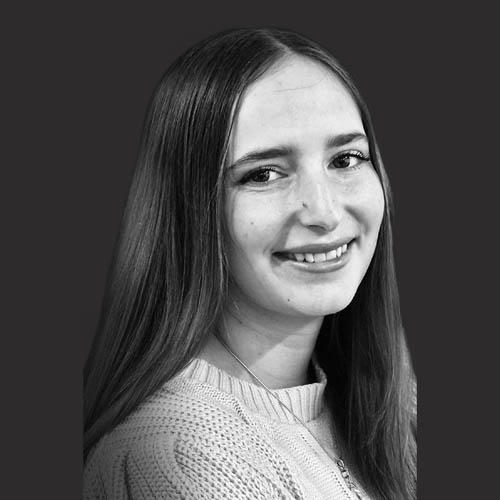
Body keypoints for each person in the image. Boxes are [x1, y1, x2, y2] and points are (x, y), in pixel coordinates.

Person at [83, 27, 417, 500]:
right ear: (190, 209)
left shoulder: (382, 406)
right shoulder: (183, 455)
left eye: (345, 159)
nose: (323, 212)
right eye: (263, 174)